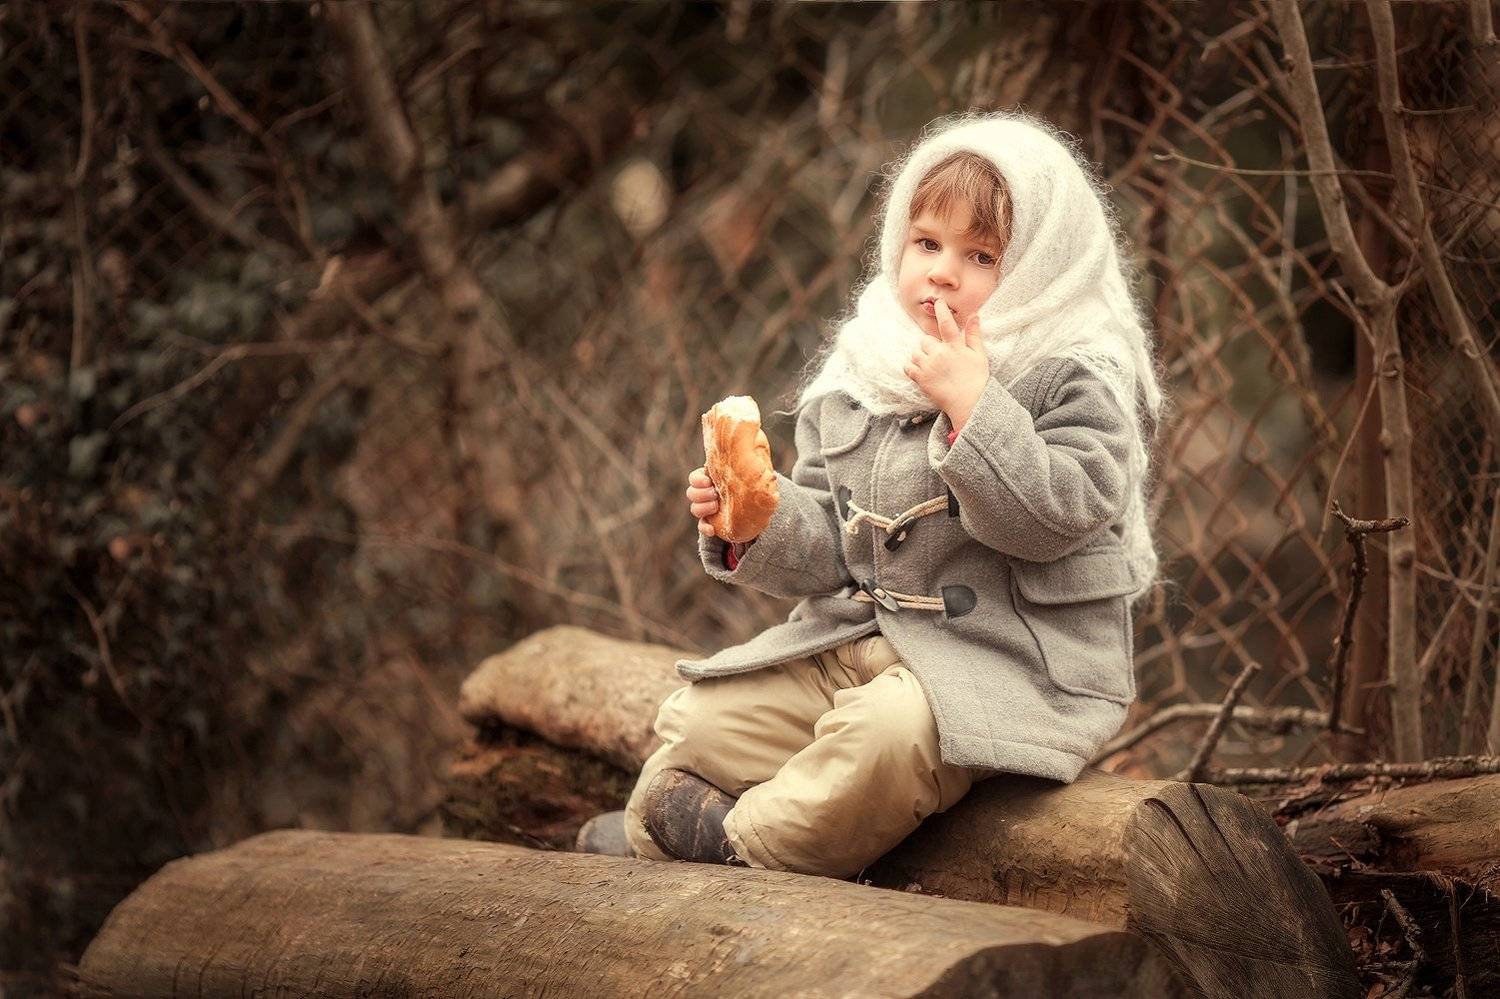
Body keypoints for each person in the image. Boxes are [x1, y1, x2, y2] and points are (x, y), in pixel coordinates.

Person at [592, 110, 1167, 880]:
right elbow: (833, 544)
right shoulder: (865, 371)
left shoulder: (1076, 374)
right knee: (700, 723)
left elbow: (1056, 517)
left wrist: (977, 409)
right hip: (859, 642)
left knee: (886, 738)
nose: (941, 271)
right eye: (926, 243)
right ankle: (654, 830)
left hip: (1003, 663)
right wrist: (758, 520)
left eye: (981, 254)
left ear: (1038, 265)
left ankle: (741, 846)